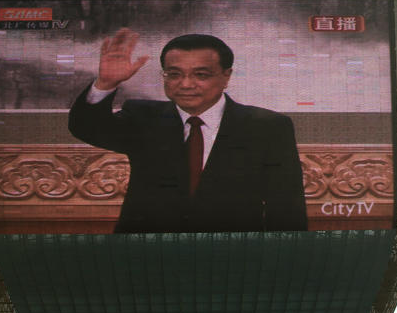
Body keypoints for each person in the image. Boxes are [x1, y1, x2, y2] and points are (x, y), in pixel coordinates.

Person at [69, 29, 308, 233]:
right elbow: (87, 128)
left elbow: (287, 205)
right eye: (174, 74)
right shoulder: (143, 117)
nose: (185, 84)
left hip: (235, 258)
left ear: (227, 76)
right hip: (146, 256)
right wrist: (106, 84)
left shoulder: (267, 126)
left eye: (200, 75)